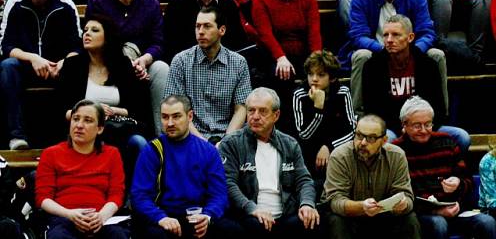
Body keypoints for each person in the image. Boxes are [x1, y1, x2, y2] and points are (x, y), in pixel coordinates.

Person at [218, 87, 321, 237]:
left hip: (285, 215)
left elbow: (304, 181)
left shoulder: (289, 144)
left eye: (263, 111)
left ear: (276, 115)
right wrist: (252, 209)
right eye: (251, 110)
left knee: (312, 221)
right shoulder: (231, 143)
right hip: (249, 215)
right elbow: (228, 183)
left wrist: (307, 204)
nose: (255, 116)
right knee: (254, 226)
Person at [85, 0, 170, 132]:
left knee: (162, 68)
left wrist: (144, 60)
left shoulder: (151, 4)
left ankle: (161, 135)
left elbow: (159, 43)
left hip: (141, 64)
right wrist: (124, 62)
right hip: (106, 62)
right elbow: (93, 39)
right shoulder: (98, 1)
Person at [0, 0, 80, 150]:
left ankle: (69, 137)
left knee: (75, 65)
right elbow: (7, 47)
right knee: (7, 66)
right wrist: (33, 58)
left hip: (57, 69)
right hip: (27, 67)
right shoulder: (15, 3)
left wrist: (62, 62)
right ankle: (16, 136)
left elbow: (78, 48)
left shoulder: (66, 5)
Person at [358, 14, 469, 150]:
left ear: (410, 37)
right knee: (387, 142)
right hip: (391, 127)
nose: (389, 40)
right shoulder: (373, 66)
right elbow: (373, 109)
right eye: (385, 35)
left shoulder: (427, 64)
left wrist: (421, 126)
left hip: (424, 125)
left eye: (396, 35)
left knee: (462, 137)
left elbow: (437, 105)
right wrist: (404, 127)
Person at [393, 96, 496, 239]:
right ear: (404, 125)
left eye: (428, 124)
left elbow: (469, 181)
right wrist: (436, 212)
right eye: (417, 126)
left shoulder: (447, 142)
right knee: (439, 223)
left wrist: (459, 184)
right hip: (423, 215)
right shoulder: (396, 151)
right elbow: (398, 196)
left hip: (455, 210)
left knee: (486, 222)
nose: (424, 130)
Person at [131, 95, 232, 238]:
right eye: (165, 117)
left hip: (198, 216)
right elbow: (139, 195)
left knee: (233, 230)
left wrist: (208, 216)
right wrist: (160, 218)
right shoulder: (152, 150)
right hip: (164, 216)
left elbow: (219, 195)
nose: (170, 123)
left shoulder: (208, 151)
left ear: (190, 116)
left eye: (176, 116)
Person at [57, 15, 150, 169]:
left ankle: (137, 192)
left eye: (94, 30)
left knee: (139, 142)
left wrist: (113, 110)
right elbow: (61, 109)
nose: (87, 33)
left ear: (107, 37)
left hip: (119, 130)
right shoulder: (72, 65)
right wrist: (92, 112)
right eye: (85, 30)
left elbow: (138, 109)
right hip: (84, 131)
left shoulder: (123, 65)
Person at [36, 100, 128, 239]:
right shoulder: (51, 153)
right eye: (76, 119)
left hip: (101, 218)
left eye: (88, 120)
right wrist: (70, 214)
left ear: (100, 128)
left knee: (118, 236)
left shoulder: (112, 154)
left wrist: (101, 216)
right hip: (64, 218)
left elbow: (117, 194)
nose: (79, 125)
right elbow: (43, 198)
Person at [321, 114, 422, 239]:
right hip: (349, 218)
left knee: (409, 219)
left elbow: (407, 196)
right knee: (335, 220)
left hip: (384, 216)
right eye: (359, 135)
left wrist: (403, 205)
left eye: (371, 138)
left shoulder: (397, 156)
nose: (362, 142)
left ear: (384, 140)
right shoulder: (340, 156)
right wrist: (362, 206)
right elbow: (335, 201)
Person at [342, 0, 441, 76]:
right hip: (375, 52)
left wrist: (411, 51)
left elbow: (427, 32)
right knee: (361, 55)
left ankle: (440, 97)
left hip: (409, 51)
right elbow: (357, 35)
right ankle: (357, 97)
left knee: (437, 55)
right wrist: (383, 50)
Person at [165, 6, 252, 142]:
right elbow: (176, 110)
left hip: (228, 135)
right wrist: (202, 143)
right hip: (190, 136)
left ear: (221, 30)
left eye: (207, 26)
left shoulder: (238, 63)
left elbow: (241, 109)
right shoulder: (180, 61)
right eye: (197, 26)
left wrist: (226, 142)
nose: (200, 32)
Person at [252, 0, 322, 88]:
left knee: (320, 72)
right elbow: (265, 34)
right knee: (282, 73)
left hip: (304, 53)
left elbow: (314, 30)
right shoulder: (261, 0)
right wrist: (280, 57)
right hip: (275, 55)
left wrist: (316, 59)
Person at [291, 51, 356, 182]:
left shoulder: (343, 92)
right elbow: (303, 135)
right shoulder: (300, 95)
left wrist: (329, 147)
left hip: (336, 148)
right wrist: (318, 109)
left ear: (331, 77)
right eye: (310, 74)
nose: (314, 79)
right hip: (309, 151)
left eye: (321, 75)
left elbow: (351, 129)